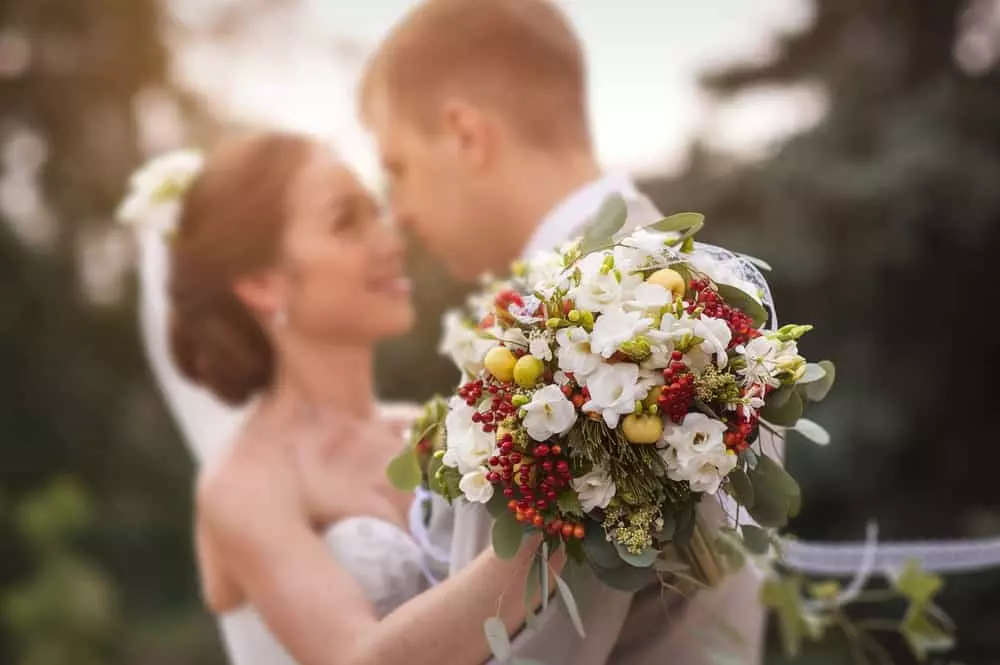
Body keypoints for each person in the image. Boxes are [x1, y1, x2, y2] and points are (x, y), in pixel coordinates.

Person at [360, 0, 774, 663]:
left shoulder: (569, 337)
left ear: (465, 135)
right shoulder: (705, 299)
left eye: (399, 167)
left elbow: (515, 646)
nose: (400, 210)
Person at [128, 131, 559, 665]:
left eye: (376, 212)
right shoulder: (242, 485)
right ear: (263, 283)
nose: (390, 241)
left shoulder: (433, 427)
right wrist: (561, 526)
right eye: (345, 221)